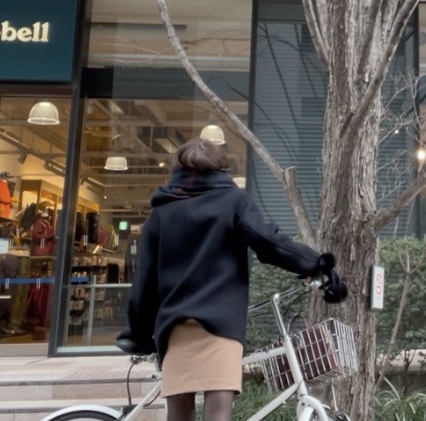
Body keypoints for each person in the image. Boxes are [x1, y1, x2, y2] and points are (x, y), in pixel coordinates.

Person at [120, 138, 347, 421]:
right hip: (220, 326)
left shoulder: (161, 214)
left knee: (178, 415)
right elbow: (270, 244)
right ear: (220, 168)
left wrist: (139, 335)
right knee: (218, 413)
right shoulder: (233, 202)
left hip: (175, 328)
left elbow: (143, 282)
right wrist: (316, 265)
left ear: (177, 168)